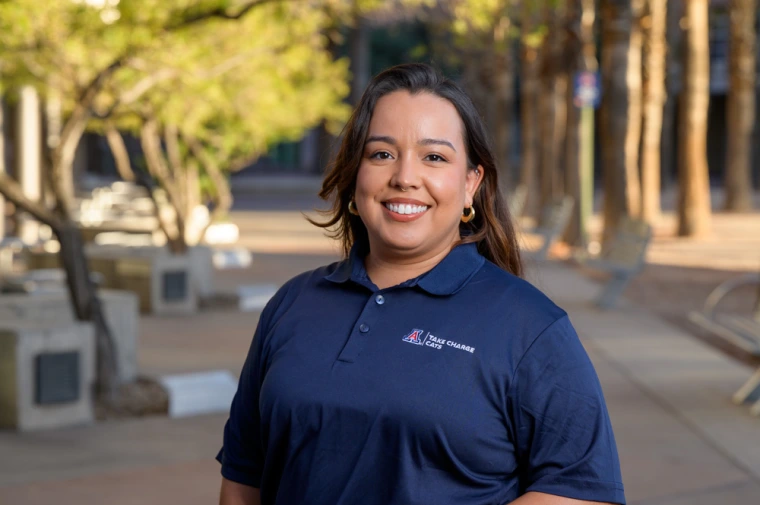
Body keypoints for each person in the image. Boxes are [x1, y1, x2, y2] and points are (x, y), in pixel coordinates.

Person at [217, 63, 626, 505]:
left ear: (471, 183)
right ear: (355, 177)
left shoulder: (530, 327)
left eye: (434, 157)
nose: (405, 177)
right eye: (381, 154)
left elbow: (581, 492)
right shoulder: (293, 304)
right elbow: (244, 478)